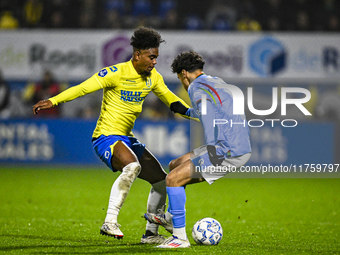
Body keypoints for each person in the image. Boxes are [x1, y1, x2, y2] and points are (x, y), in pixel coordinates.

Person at [32, 27, 193, 244]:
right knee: (132, 167)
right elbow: (82, 88)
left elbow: (173, 102)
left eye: (156, 57)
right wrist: (54, 100)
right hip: (105, 137)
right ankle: (109, 221)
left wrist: (197, 115)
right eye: (151, 57)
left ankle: (151, 234)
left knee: (162, 181)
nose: (154, 62)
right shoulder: (115, 73)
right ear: (137, 55)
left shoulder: (153, 77)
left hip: (126, 139)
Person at [144, 51, 252, 248]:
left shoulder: (196, 88)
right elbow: (212, 110)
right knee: (175, 165)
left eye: (180, 78)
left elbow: (209, 118)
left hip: (225, 149)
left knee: (173, 179)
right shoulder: (214, 81)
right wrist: (186, 111)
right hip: (235, 145)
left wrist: (212, 153)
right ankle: (170, 218)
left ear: (184, 73)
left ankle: (179, 238)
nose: (183, 84)